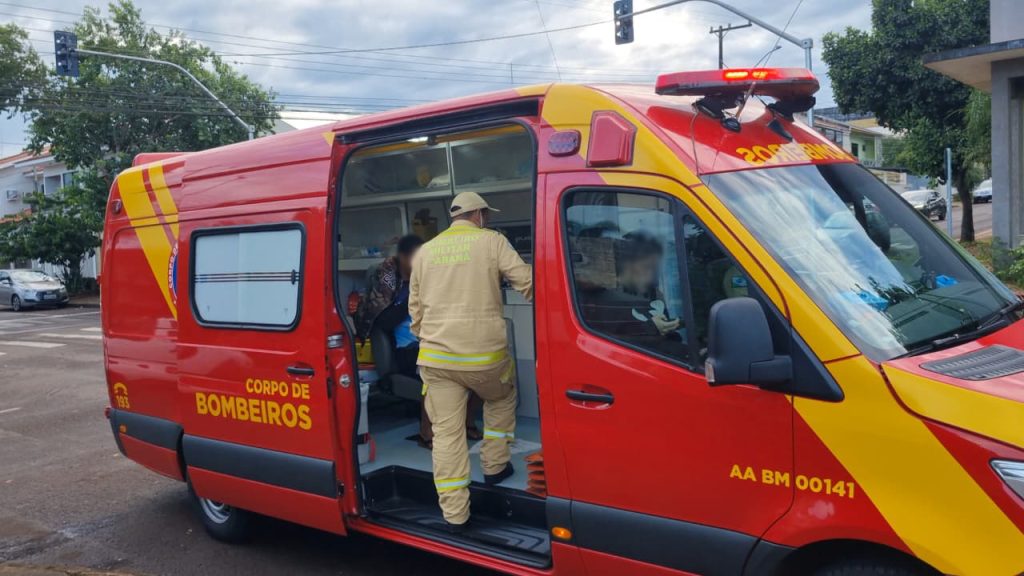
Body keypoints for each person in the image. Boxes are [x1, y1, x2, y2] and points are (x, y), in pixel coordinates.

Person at [409, 191, 533, 531]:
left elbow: (415, 311)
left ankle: (455, 516)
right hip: (484, 357)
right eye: (486, 215)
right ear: (478, 215)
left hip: (435, 357)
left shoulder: (426, 251)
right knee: (501, 396)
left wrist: (431, 336)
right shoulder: (492, 242)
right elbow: (529, 282)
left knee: (446, 434)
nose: (487, 220)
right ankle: (495, 467)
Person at [357, 235, 483, 448]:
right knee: (435, 371)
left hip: (438, 339)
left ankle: (467, 422)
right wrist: (413, 295)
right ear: (404, 258)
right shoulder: (391, 282)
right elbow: (384, 322)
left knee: (484, 368)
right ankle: (427, 434)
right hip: (409, 348)